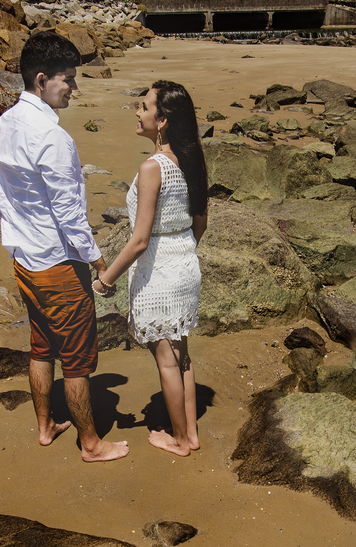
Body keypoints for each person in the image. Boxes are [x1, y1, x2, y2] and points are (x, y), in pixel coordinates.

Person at [0, 31, 128, 463]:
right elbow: (70, 216)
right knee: (79, 361)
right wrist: (100, 262)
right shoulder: (52, 137)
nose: (73, 88)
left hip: (25, 259)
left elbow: (0, 197)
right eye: (67, 79)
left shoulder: (3, 124)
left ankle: (46, 425)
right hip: (58, 264)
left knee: (41, 347)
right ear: (42, 79)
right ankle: (91, 443)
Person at [93, 80, 208, 457]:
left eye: (144, 106)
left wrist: (105, 279)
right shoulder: (190, 160)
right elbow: (199, 224)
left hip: (160, 273)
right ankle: (190, 434)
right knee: (182, 355)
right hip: (186, 266)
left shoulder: (152, 167)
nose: (138, 112)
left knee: (166, 360)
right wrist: (182, 252)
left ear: (162, 121)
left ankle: (179, 441)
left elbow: (140, 239)